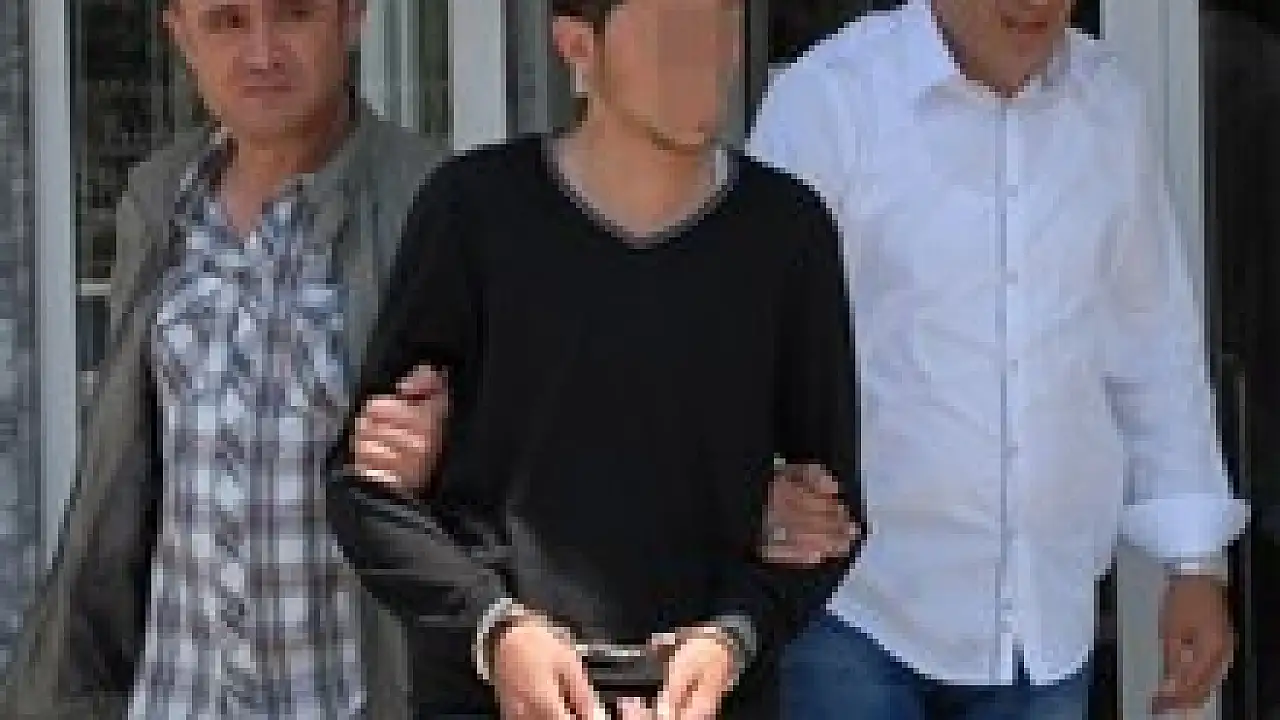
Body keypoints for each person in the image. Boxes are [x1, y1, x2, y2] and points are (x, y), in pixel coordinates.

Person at [325, 0, 865, 718]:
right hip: (493, 697)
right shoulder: (472, 214)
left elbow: (831, 514)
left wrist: (733, 638)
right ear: (578, 45)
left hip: (706, 701)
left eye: (721, 22)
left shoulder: (788, 234)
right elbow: (367, 489)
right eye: (671, 28)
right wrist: (494, 630)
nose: (706, 54)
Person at [747, 0, 1249, 717]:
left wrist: (1195, 559)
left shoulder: (1110, 104)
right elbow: (747, 329)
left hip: (1042, 627)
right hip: (855, 613)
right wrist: (757, 485)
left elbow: (1152, 342)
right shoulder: (832, 96)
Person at [0, 1, 448, 717]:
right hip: (177, 694)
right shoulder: (159, 204)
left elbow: (522, 480)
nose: (262, 53)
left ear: (350, 17)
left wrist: (449, 452)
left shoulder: (433, 203)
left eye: (293, 15)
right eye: (227, 22)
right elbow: (122, 482)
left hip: (348, 698)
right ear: (180, 36)